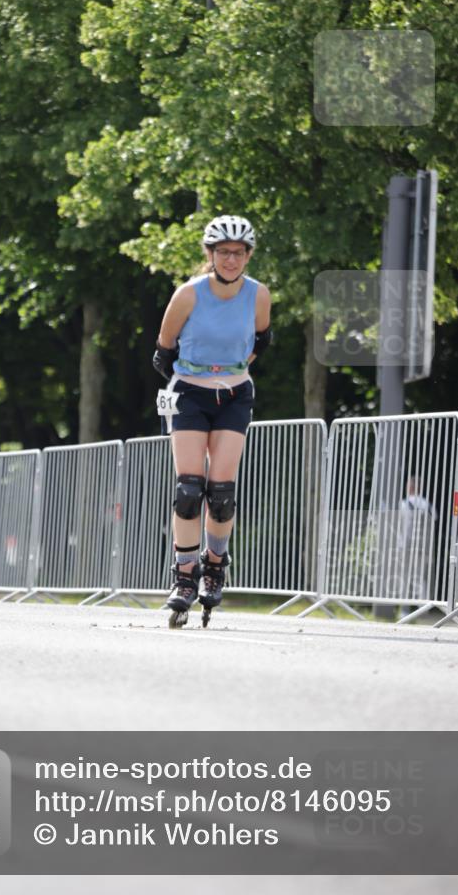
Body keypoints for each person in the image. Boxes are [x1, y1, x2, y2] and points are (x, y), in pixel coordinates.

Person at [152, 215, 272, 627]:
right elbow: (162, 351)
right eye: (223, 252)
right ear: (210, 254)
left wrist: (230, 370)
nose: (231, 259)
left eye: (238, 253)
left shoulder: (258, 295)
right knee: (189, 490)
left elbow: (262, 341)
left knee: (221, 493)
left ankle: (215, 565)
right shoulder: (188, 294)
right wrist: (198, 377)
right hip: (189, 392)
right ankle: (185, 577)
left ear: (248, 256)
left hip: (236, 394)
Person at [397, 476, 437, 602]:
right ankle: (422, 606)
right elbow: (435, 519)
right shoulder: (428, 504)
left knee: (404, 575)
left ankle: (404, 607)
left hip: (406, 544)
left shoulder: (403, 504)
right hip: (423, 545)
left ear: (410, 487)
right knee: (420, 576)